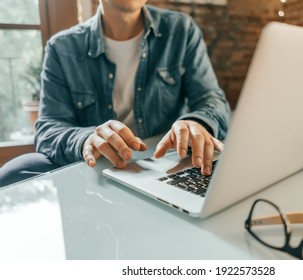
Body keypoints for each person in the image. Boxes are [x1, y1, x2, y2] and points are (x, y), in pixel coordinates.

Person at [0, 0, 230, 187]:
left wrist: (196, 122)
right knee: (16, 170)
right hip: (101, 166)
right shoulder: (62, 47)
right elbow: (49, 128)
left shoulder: (181, 30)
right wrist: (86, 139)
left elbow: (212, 99)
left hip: (165, 164)